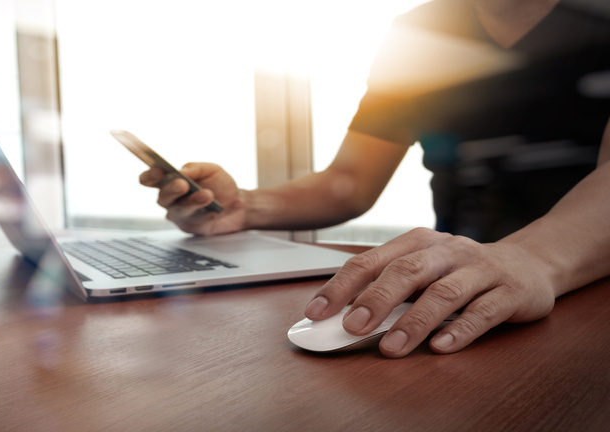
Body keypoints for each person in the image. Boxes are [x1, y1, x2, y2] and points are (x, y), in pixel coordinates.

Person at [139, 0, 610, 358]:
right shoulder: (421, 30)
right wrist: (246, 206)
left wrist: (533, 259)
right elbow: (348, 180)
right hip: (448, 293)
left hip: (585, 288)